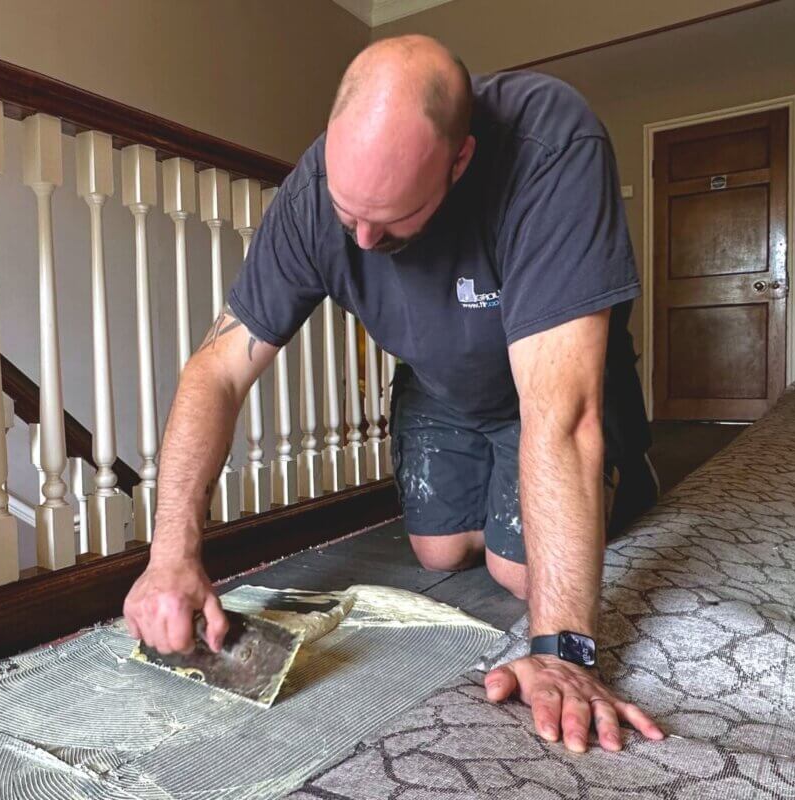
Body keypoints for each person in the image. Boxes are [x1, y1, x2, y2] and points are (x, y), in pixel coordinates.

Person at [124, 34, 664, 753]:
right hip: (439, 380)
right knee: (440, 554)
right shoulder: (313, 195)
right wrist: (170, 556)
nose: (366, 239)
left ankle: (629, 471)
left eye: (393, 217)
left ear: (460, 159)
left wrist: (565, 650)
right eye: (351, 216)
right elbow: (215, 370)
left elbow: (559, 417)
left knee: (518, 570)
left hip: (545, 379)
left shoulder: (550, 144)